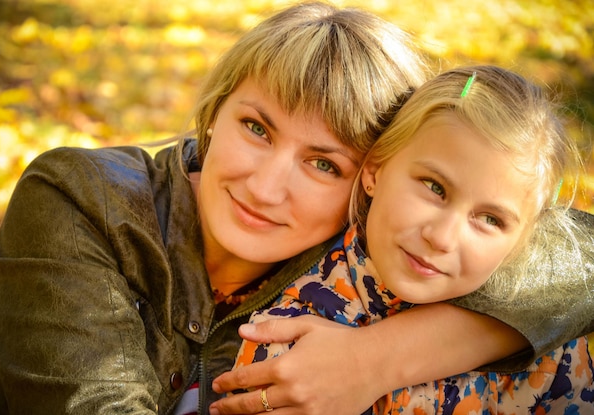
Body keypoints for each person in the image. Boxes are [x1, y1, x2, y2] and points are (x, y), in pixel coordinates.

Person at [0, 2, 591, 415]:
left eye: (324, 164)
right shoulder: (82, 197)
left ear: (370, 180)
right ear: (215, 113)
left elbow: (580, 258)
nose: (265, 188)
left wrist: (374, 361)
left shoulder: (375, 251)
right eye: (256, 128)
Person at [230, 65, 594, 414]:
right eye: (435, 187)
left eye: (489, 219)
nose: (442, 238)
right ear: (374, 170)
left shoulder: (550, 345)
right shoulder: (290, 339)